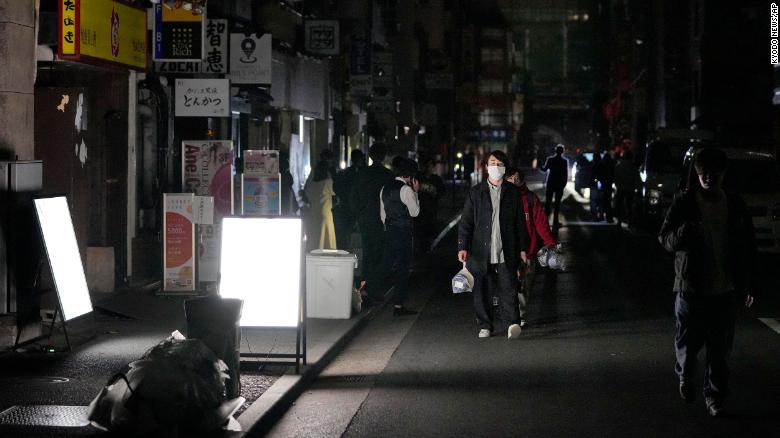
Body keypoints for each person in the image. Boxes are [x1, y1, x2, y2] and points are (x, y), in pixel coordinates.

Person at [658, 147, 756, 417]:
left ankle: (714, 397)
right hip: (690, 288)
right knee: (688, 345)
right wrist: (685, 232)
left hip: (725, 290)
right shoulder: (685, 202)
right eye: (703, 174)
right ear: (697, 174)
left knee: (720, 351)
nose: (708, 178)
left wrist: (749, 284)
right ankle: (685, 376)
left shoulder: (735, 205)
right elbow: (664, 238)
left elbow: (748, 245)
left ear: (723, 173)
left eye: (713, 173)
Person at [458, 150, 528, 339]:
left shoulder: (512, 192)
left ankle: (512, 323)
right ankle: (485, 325)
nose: (495, 167)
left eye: (499, 164)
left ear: (504, 167)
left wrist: (523, 248)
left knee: (509, 287)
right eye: (492, 163)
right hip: (481, 250)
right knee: (482, 289)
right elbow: (466, 222)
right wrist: (462, 246)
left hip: (506, 248)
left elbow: (520, 222)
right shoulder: (476, 192)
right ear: (486, 166)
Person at [505, 167, 557, 324]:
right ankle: (511, 312)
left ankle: (519, 314)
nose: (513, 181)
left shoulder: (530, 198)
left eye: (516, 178)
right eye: (510, 178)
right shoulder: (500, 198)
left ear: (521, 180)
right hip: (506, 250)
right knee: (508, 282)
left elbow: (541, 223)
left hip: (528, 250)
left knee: (524, 284)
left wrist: (550, 242)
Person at [351, 143, 394, 304]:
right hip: (382, 221)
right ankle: (375, 288)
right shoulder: (388, 175)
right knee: (380, 254)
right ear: (384, 156)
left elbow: (353, 197)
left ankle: (366, 286)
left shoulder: (361, 174)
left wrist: (359, 215)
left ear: (370, 156)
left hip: (365, 220)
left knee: (367, 252)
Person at [380, 158, 421, 316]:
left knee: (387, 263)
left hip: (389, 230)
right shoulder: (406, 190)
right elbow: (414, 212)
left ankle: (369, 289)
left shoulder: (385, 188)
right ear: (410, 176)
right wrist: (416, 192)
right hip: (402, 232)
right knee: (403, 268)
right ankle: (398, 305)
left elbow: (382, 214)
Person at [333, 149, 365, 250]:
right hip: (357, 208)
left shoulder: (344, 173)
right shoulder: (363, 174)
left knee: (345, 234)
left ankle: (345, 252)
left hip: (345, 207)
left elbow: (337, 188)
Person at [303, 158, 336, 251]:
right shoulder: (328, 182)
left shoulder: (312, 184)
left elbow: (307, 196)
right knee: (327, 239)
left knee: (316, 238)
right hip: (326, 213)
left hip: (314, 214)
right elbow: (335, 193)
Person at [414, 159, 446, 254]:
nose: (428, 168)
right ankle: (422, 251)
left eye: (430, 166)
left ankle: (428, 251)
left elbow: (442, 192)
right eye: (426, 165)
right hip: (420, 209)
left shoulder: (436, 179)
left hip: (431, 210)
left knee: (429, 232)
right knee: (421, 233)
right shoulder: (419, 177)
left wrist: (434, 193)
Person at [540, 144, 568, 226]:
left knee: (548, 203)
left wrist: (540, 165)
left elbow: (544, 169)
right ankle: (555, 222)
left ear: (556, 151)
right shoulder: (564, 161)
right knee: (557, 204)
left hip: (551, 182)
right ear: (562, 151)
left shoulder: (550, 159)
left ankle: (544, 222)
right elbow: (565, 174)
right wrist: (564, 183)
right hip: (559, 183)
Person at [613, 149, 640, 227]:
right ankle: (629, 222)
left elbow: (615, 177)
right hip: (630, 189)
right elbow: (637, 179)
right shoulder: (633, 167)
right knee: (629, 206)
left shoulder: (619, 166)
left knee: (619, 205)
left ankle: (619, 221)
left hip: (620, 188)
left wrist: (617, 184)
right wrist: (637, 187)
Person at [595, 150, 616, 223]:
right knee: (608, 201)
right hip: (609, 185)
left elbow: (599, 175)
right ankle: (609, 217)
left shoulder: (602, 165)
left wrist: (598, 181)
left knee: (602, 201)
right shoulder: (612, 165)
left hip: (603, 184)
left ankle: (602, 216)